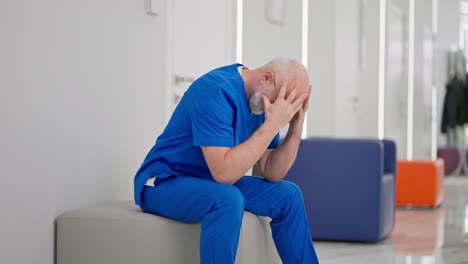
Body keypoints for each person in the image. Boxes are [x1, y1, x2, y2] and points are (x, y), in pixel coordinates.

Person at [133, 58, 319, 264]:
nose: (282, 111)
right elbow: (224, 174)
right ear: (266, 78)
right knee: (227, 199)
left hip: (207, 180)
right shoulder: (215, 90)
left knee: (288, 195)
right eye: (282, 102)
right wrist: (273, 124)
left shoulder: (260, 103)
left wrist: (295, 128)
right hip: (164, 180)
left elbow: (271, 171)